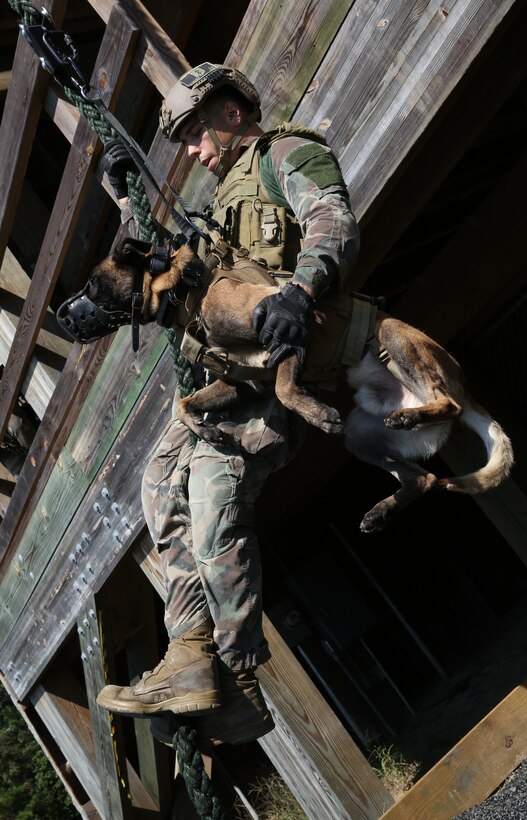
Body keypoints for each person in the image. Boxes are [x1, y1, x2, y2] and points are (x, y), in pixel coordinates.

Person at [95, 62, 360, 746]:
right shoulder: (218, 209)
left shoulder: (283, 156)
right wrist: (121, 195)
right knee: (160, 491)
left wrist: (301, 291)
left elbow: (330, 217)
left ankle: (239, 681)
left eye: (193, 132)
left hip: (269, 379)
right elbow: (173, 271)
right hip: (217, 385)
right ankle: (189, 652)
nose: (190, 149)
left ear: (231, 114)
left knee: (215, 511)